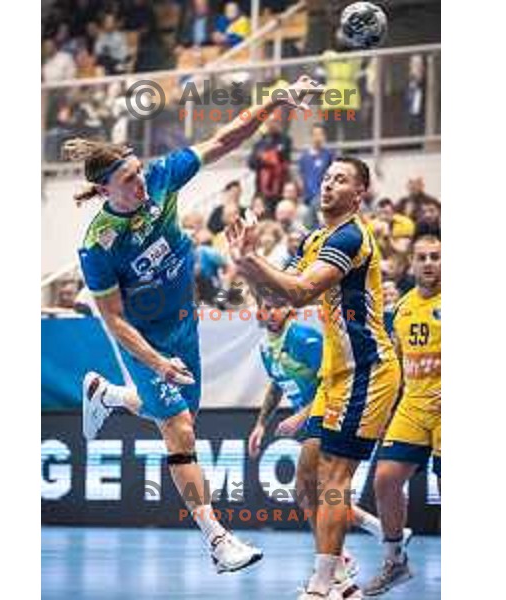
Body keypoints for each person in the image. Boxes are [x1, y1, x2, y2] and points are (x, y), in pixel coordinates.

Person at [62, 75, 323, 574]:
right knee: (179, 431)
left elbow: (225, 137)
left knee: (179, 415)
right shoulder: (98, 246)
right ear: (103, 190)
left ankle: (109, 396)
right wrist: (158, 361)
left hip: (185, 322)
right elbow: (113, 320)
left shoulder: (161, 179)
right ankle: (219, 540)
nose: (140, 183)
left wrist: (273, 98)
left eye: (139, 173)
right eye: (128, 181)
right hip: (147, 340)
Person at [225, 157, 401, 599]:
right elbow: (277, 295)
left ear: (359, 194)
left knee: (336, 475)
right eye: (326, 178)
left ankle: (324, 586)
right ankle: (339, 575)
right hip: (334, 378)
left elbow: (301, 291)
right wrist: (244, 262)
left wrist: (251, 261)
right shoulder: (314, 238)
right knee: (306, 479)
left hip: (368, 371)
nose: (327, 185)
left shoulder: (350, 235)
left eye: (340, 179)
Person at [248, 299, 406, 581]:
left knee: (314, 491)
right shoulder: (265, 346)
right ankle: (377, 535)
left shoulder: (304, 338)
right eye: (264, 307)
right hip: (312, 420)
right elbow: (276, 383)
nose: (269, 312)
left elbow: (333, 379)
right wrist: (261, 424)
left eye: (276, 306)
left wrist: (301, 416)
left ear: (289, 309)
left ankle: (339, 561)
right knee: (316, 493)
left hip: (331, 412)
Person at [364, 232, 441, 596]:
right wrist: (384, 409)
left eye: (436, 257)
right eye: (422, 257)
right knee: (385, 479)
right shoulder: (404, 309)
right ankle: (395, 561)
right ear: (411, 264)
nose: (429, 263)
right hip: (412, 405)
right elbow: (394, 363)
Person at [248, 112, 292, 217]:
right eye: (270, 122)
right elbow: (251, 163)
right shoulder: (260, 143)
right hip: (262, 189)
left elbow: (283, 158)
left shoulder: (285, 140)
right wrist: (269, 158)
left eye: (275, 122)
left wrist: (263, 157)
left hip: (279, 189)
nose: (272, 124)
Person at [298, 124, 334, 207]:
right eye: (315, 134)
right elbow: (301, 178)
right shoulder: (304, 157)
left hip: (324, 198)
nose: (317, 137)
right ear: (311, 137)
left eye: (320, 134)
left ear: (324, 137)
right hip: (308, 199)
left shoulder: (329, 155)